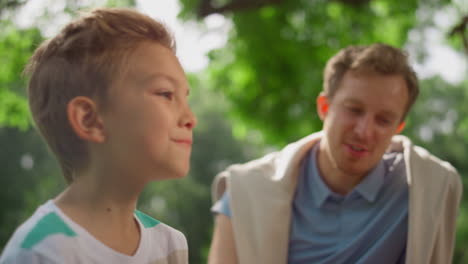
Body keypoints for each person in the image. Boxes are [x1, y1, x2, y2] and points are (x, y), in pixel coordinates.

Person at [208, 43, 462, 264]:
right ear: (324, 107)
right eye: (354, 110)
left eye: (384, 120)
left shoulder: (424, 191)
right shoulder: (247, 193)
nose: (364, 131)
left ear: (398, 128)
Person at [0, 8, 197, 264]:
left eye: (185, 97)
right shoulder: (40, 252)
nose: (191, 118)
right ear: (89, 119)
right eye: (166, 94)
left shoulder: (171, 244)